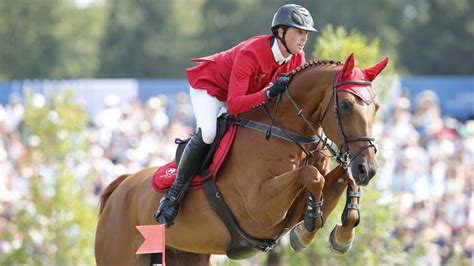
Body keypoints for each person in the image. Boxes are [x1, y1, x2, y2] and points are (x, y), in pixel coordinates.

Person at [154, 4, 318, 227]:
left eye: (306, 33)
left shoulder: (297, 59)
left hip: (244, 94)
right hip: (211, 89)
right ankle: (173, 196)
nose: (303, 38)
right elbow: (234, 105)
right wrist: (268, 92)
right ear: (280, 32)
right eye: (299, 32)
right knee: (210, 133)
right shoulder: (251, 53)